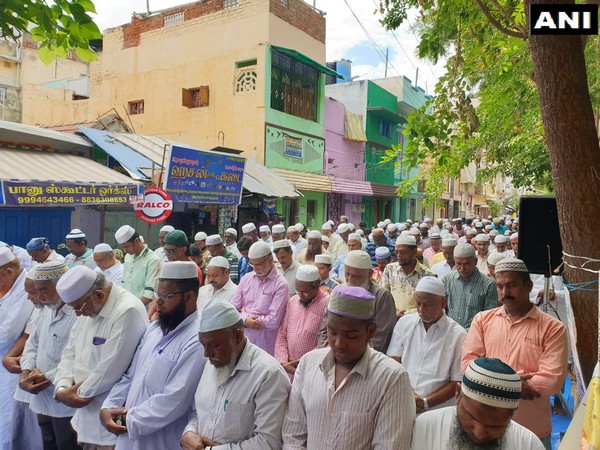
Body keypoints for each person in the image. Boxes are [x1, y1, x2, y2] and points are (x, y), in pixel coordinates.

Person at [283, 286, 415, 449]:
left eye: (351, 335)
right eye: (332, 332)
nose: (339, 343)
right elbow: (293, 437)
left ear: (371, 331)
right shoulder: (307, 364)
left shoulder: (392, 378)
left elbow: (389, 446)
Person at [461, 258, 568, 446]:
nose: (504, 293)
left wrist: (492, 382)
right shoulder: (482, 320)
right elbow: (468, 365)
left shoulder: (553, 328)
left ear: (528, 286)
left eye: (511, 286)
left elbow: (551, 381)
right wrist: (514, 384)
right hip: (485, 426)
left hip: (531, 429)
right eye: (500, 287)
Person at [100, 261, 206, 450]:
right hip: (127, 433)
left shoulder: (197, 339)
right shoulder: (155, 328)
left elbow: (175, 398)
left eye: (166, 296)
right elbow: (130, 376)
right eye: (158, 295)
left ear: (189, 296)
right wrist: (109, 406)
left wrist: (126, 420)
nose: (158, 302)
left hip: (161, 439)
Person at [54, 266, 149, 450]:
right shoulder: (87, 306)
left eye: (79, 308)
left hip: (108, 423)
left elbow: (110, 370)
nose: (78, 314)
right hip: (83, 417)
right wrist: (61, 387)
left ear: (99, 295)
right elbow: (69, 352)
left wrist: (75, 395)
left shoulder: (127, 311)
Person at [181, 301, 291, 449]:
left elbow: (269, 442)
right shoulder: (212, 363)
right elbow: (198, 412)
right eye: (203, 345)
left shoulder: (268, 374)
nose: (206, 353)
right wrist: (189, 433)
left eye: (215, 345)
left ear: (238, 336)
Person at [412, 357, 545, 449]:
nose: (479, 434)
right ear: (457, 393)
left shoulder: (528, 444)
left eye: (494, 426)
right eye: (472, 417)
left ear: (513, 413)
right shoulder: (425, 426)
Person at [19, 260, 80, 450]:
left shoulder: (79, 313)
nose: (36, 297)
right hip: (41, 395)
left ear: (61, 285)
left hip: (64, 400)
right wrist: (25, 372)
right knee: (48, 442)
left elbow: (79, 358)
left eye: (42, 290)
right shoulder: (48, 309)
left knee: (66, 444)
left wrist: (46, 376)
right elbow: (33, 343)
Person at [387, 277, 466, 413]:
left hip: (437, 411)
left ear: (443, 302)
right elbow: (392, 362)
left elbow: (457, 382)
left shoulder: (459, 335)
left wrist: (426, 403)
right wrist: (408, 395)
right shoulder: (404, 323)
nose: (421, 310)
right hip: (401, 402)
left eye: (428, 305)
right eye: (418, 304)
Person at [0, 247, 35, 450]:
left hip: (12, 365)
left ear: (9, 272)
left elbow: (8, 333)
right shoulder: (7, 285)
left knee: (8, 419)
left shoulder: (25, 288)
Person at [231, 241, 289, 356]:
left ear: (271, 260)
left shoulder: (281, 284)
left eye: (259, 265)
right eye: (252, 264)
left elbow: (273, 321)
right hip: (243, 341)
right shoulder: (247, 278)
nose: (256, 269)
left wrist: (245, 316)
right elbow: (232, 307)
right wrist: (245, 320)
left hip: (266, 345)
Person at [275, 265, 328, 378]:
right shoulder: (293, 301)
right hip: (288, 370)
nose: (300, 295)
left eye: (304, 292)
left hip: (313, 370)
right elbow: (282, 333)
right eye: (297, 290)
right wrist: (283, 361)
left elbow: (326, 341)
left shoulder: (327, 304)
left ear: (317, 286)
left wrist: (303, 361)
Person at [444, 243, 498, 330]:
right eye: (458, 264)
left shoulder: (489, 285)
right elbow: (443, 310)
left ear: (475, 262)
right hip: (450, 334)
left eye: (466, 264)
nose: (462, 268)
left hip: (474, 336)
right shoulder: (447, 280)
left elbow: (489, 319)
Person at [381, 235, 436, 318]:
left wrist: (407, 314)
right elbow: (384, 297)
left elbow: (430, 303)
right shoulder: (390, 269)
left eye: (403, 252)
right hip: (393, 319)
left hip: (418, 322)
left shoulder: (428, 276)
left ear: (414, 252)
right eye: (397, 252)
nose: (399, 255)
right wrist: (394, 312)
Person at [115, 225, 161, 308]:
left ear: (137, 241)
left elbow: (149, 294)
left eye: (126, 246)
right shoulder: (128, 257)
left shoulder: (153, 260)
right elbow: (123, 283)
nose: (125, 250)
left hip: (142, 310)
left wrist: (131, 307)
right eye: (123, 247)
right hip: (126, 306)